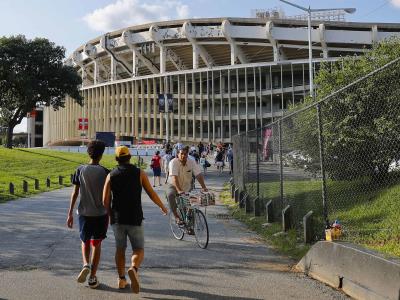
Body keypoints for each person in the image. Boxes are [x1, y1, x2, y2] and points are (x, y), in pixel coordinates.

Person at [103, 146, 168, 294]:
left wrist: (109, 214)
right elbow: (151, 193)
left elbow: (104, 200)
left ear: (116, 159)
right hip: (135, 217)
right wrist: (162, 206)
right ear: (130, 157)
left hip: (118, 218)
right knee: (138, 249)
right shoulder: (139, 173)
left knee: (120, 249)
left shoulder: (111, 175)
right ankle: (133, 268)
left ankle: (121, 279)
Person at [67, 140, 109, 289]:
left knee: (85, 241)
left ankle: (85, 264)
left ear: (88, 152)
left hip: (84, 213)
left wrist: (70, 213)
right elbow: (109, 196)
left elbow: (75, 193)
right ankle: (92, 277)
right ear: (101, 154)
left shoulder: (80, 170)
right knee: (96, 244)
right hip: (101, 214)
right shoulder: (106, 172)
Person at [166, 146, 208, 224]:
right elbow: (174, 178)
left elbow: (198, 175)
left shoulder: (191, 162)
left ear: (187, 154)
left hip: (187, 185)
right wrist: (179, 190)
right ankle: (176, 217)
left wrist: (204, 187)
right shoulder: (173, 162)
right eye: (181, 154)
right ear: (178, 154)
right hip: (173, 185)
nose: (183, 156)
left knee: (192, 202)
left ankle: (190, 225)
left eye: (185, 154)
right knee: (170, 195)